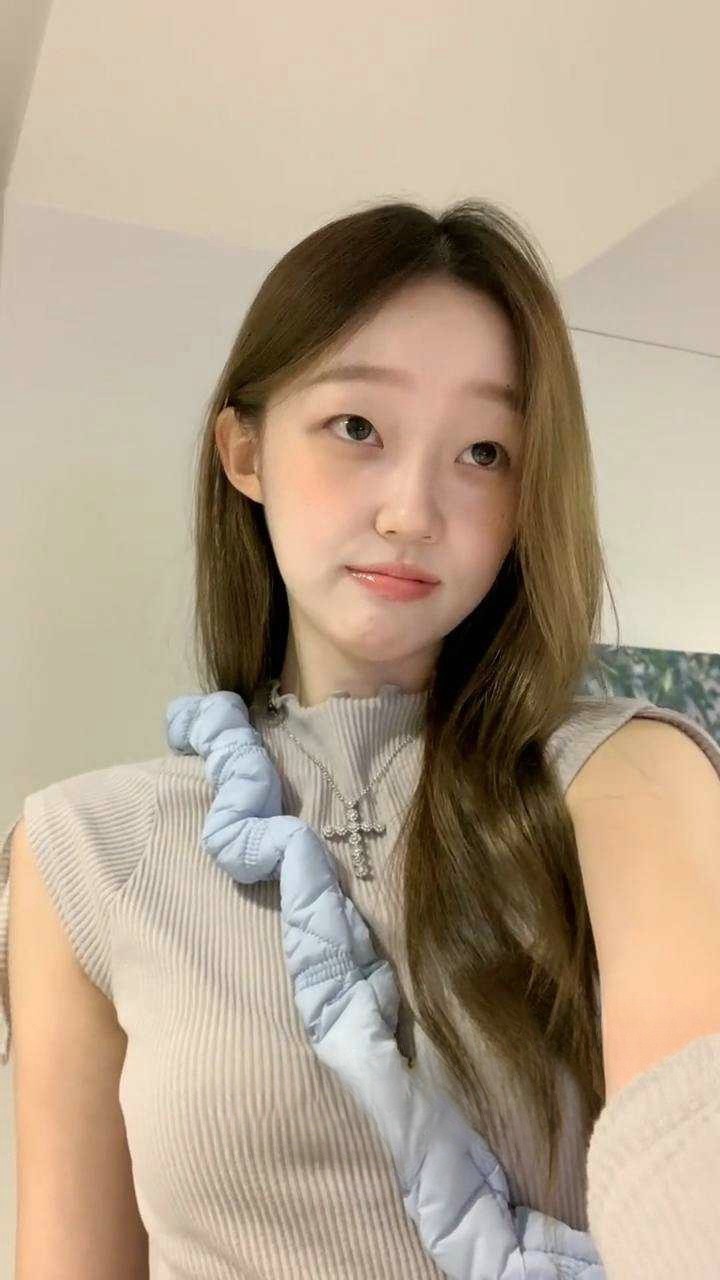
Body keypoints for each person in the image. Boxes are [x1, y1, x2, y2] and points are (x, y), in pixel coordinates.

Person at [4, 198, 720, 1278]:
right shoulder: (84, 850)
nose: (413, 512)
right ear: (244, 451)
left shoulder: (624, 777)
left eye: (484, 451)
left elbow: (692, 1138)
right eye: (357, 429)